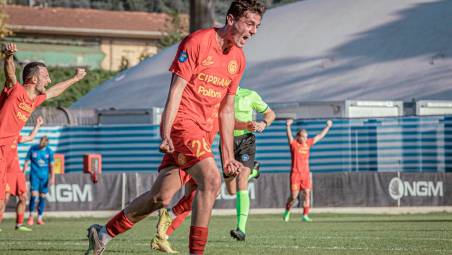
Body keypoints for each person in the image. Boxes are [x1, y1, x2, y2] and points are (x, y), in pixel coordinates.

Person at [85, 1, 266, 254]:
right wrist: (166, 132)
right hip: (183, 125)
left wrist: (227, 157)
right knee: (211, 181)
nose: (254, 30)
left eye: (257, 26)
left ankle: (102, 234)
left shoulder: (238, 59)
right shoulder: (197, 42)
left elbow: (226, 110)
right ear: (231, 19)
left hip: (204, 133)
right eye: (249, 23)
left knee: (161, 197)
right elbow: (176, 90)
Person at [149, 87, 274, 252]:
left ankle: (241, 229)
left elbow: (270, 114)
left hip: (244, 141)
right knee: (224, 190)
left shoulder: (250, 95)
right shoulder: (213, 96)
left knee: (237, 178)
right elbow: (223, 121)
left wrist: (262, 124)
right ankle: (163, 235)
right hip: (219, 143)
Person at [0, 43, 86, 231]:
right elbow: (10, 75)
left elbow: (55, 91)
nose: (49, 80)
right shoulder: (16, 90)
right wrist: (7, 57)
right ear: (33, 78)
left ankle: (18, 223)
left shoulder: (34, 100)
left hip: (5, 153)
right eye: (46, 76)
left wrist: (75, 79)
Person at [283, 119, 333, 222]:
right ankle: (287, 211)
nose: (305, 138)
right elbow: (289, 137)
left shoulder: (308, 144)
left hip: (305, 174)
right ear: (298, 137)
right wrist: (288, 126)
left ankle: (305, 215)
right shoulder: (294, 145)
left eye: (306, 136)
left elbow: (319, 136)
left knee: (306, 193)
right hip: (295, 174)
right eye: (303, 136)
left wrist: (328, 126)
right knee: (293, 197)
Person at [0, 116, 44, 231]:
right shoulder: (2, 136)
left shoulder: (15, 137)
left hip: (17, 173)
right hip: (5, 172)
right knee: (3, 199)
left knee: (23, 198)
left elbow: (31, 137)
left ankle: (19, 224)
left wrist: (38, 125)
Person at [23, 136, 54, 225]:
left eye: (44, 144)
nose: (42, 145)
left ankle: (40, 217)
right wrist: (23, 173)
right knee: (33, 195)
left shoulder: (49, 151)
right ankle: (31, 216)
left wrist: (52, 178)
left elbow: (52, 166)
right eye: (41, 143)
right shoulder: (33, 149)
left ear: (46, 143)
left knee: (42, 196)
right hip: (34, 176)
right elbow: (26, 162)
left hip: (44, 178)